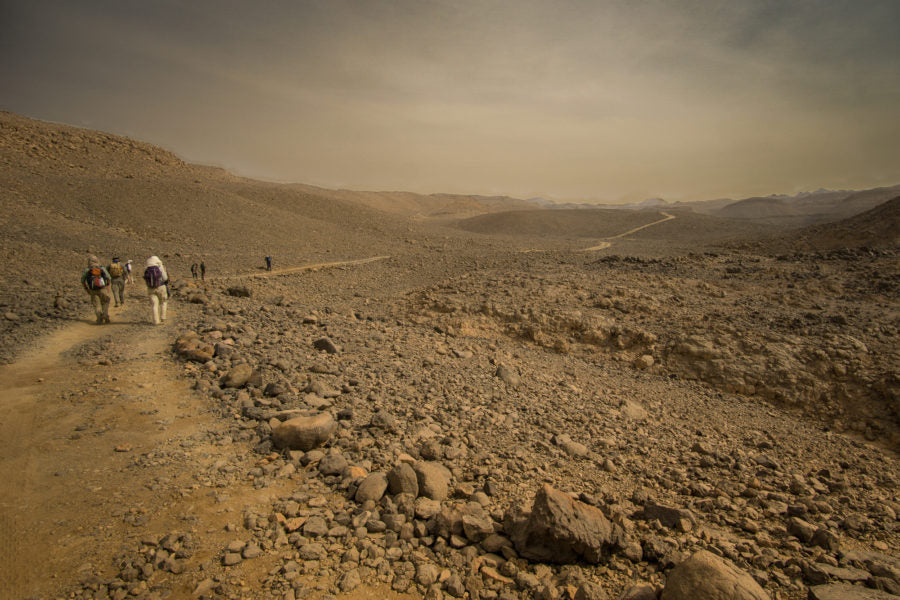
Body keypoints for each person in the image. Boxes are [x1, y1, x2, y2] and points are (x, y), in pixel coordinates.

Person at [81, 255, 111, 324]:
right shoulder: (101, 268)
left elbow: (82, 280)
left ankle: (99, 318)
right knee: (105, 301)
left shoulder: (87, 270)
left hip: (92, 289)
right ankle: (105, 315)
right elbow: (108, 277)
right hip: (102, 288)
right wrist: (107, 285)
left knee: (96, 304)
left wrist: (86, 288)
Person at [143, 255, 169, 325]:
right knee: (163, 301)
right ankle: (163, 317)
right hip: (161, 287)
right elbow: (165, 278)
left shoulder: (146, 268)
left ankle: (155, 321)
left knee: (154, 305)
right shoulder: (159, 267)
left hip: (151, 289)